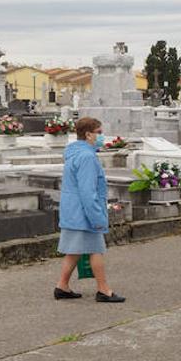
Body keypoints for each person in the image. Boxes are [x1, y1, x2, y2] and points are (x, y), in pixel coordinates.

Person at [54, 117, 125, 303]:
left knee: (74, 250)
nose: (101, 136)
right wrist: (97, 217)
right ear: (88, 134)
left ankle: (62, 286)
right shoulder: (87, 157)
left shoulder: (75, 153)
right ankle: (103, 290)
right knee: (96, 249)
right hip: (84, 212)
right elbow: (87, 191)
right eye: (99, 132)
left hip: (73, 210)